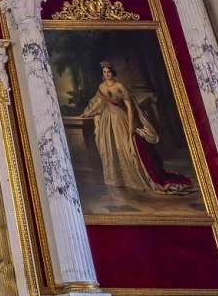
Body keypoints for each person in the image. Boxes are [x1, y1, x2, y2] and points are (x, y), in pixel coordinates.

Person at [79, 61, 195, 196]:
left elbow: (129, 107)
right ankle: (119, 178)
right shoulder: (102, 86)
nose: (107, 74)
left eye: (108, 72)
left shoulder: (120, 86)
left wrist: (131, 125)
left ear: (113, 72)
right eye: (104, 72)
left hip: (120, 118)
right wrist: (88, 112)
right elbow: (99, 103)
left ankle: (134, 177)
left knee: (126, 146)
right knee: (112, 146)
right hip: (107, 119)